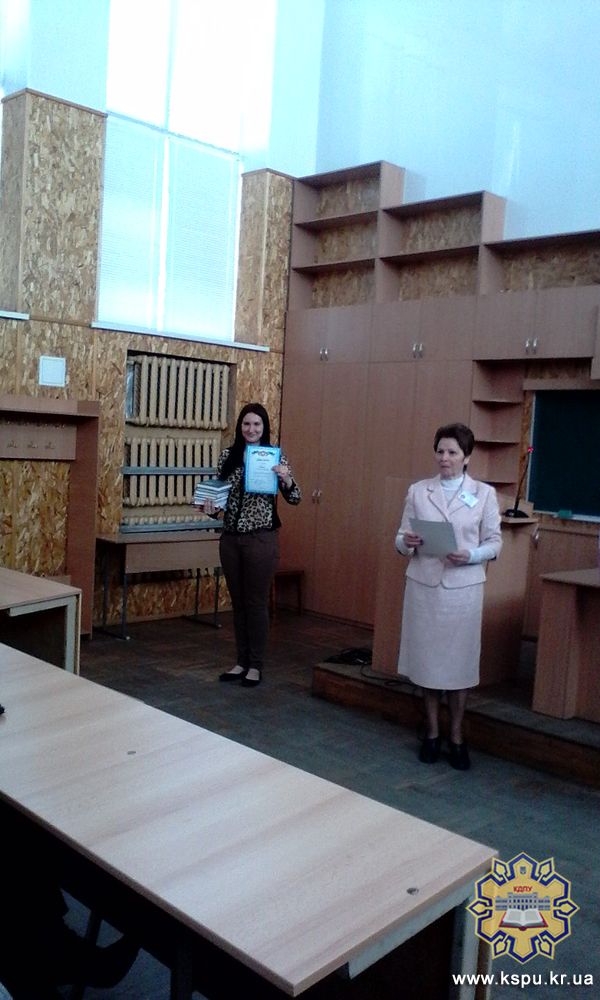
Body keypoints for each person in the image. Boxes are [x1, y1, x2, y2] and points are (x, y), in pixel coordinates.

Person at [395, 423, 502, 770]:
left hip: (462, 592)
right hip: (425, 588)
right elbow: (400, 537)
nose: (445, 458)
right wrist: (406, 542)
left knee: (458, 669)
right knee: (428, 665)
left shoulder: (484, 494)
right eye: (440, 451)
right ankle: (431, 732)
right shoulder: (418, 491)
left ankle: (456, 736)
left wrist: (470, 555)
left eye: (452, 452)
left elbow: (494, 543)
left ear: (467, 457)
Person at [202, 402, 301, 687]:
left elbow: (295, 497)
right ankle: (241, 661)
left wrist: (286, 478)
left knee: (256, 603)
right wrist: (209, 508)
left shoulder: (275, 456)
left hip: (260, 538)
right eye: (246, 424)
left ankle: (255, 665)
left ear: (264, 427)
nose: (251, 429)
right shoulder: (228, 456)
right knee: (238, 603)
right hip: (231, 539)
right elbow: (218, 501)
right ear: (240, 427)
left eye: (257, 424)